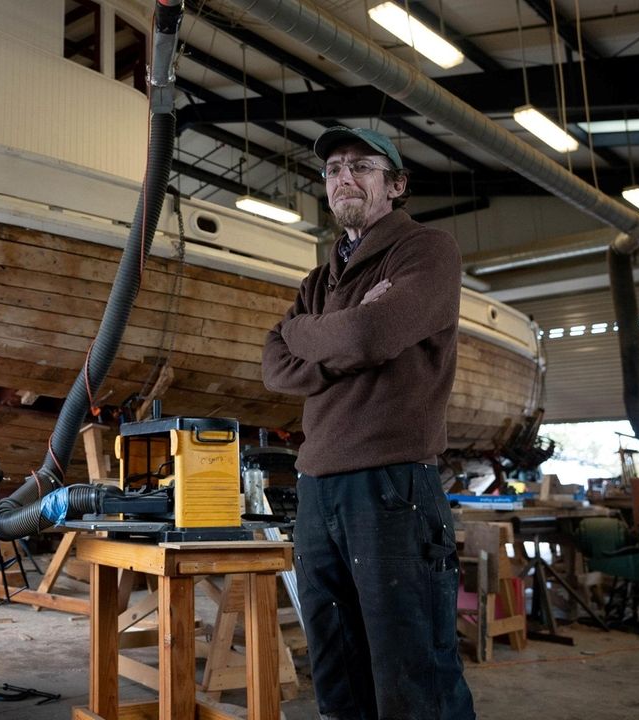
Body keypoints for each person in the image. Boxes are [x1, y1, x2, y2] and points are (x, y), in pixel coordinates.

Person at [261, 126, 476, 720]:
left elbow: (371, 333)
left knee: (412, 666)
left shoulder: (426, 251)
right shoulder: (320, 279)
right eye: (332, 169)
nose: (343, 178)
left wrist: (317, 335)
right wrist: (337, 332)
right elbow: (276, 363)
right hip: (316, 486)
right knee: (336, 662)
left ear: (397, 184)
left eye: (361, 166)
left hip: (391, 485)